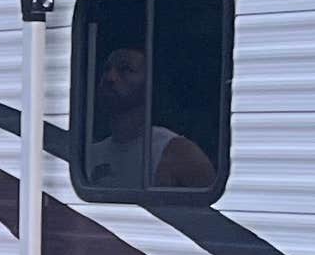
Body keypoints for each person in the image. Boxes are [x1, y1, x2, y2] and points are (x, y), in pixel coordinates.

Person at [80, 34, 214, 197]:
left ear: (150, 83)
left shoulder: (178, 153)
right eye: (107, 69)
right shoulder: (91, 154)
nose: (110, 78)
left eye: (125, 69)